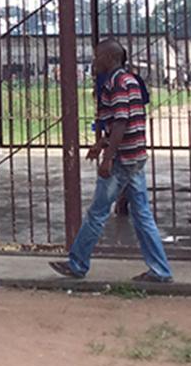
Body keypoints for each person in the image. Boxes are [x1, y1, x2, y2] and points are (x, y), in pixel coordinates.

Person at [50, 38, 173, 283]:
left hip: (122, 159)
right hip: (136, 155)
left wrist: (108, 158)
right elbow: (126, 122)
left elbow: (120, 121)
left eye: (97, 57)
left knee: (97, 213)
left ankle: (77, 263)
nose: (94, 62)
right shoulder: (131, 80)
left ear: (109, 58)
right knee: (142, 215)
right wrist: (101, 144)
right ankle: (160, 270)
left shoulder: (116, 83)